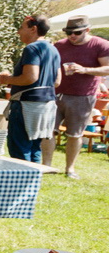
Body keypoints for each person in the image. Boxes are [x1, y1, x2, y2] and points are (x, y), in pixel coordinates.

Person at [42, 15, 109, 177]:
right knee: (48, 131)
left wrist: (85, 70)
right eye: (68, 32)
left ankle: (69, 169)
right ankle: (46, 166)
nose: (72, 36)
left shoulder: (100, 44)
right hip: (56, 94)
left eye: (77, 32)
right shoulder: (60, 45)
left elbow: (107, 68)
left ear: (87, 30)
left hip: (83, 96)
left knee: (74, 134)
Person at [0, 15, 60, 164]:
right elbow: (57, 81)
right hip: (46, 105)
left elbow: (30, 77)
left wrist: (7, 79)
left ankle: (20, 186)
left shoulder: (32, 48)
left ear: (33, 29)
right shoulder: (53, 49)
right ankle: (33, 185)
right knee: (34, 148)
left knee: (20, 148)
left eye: (21, 27)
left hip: (27, 106)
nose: (18, 32)